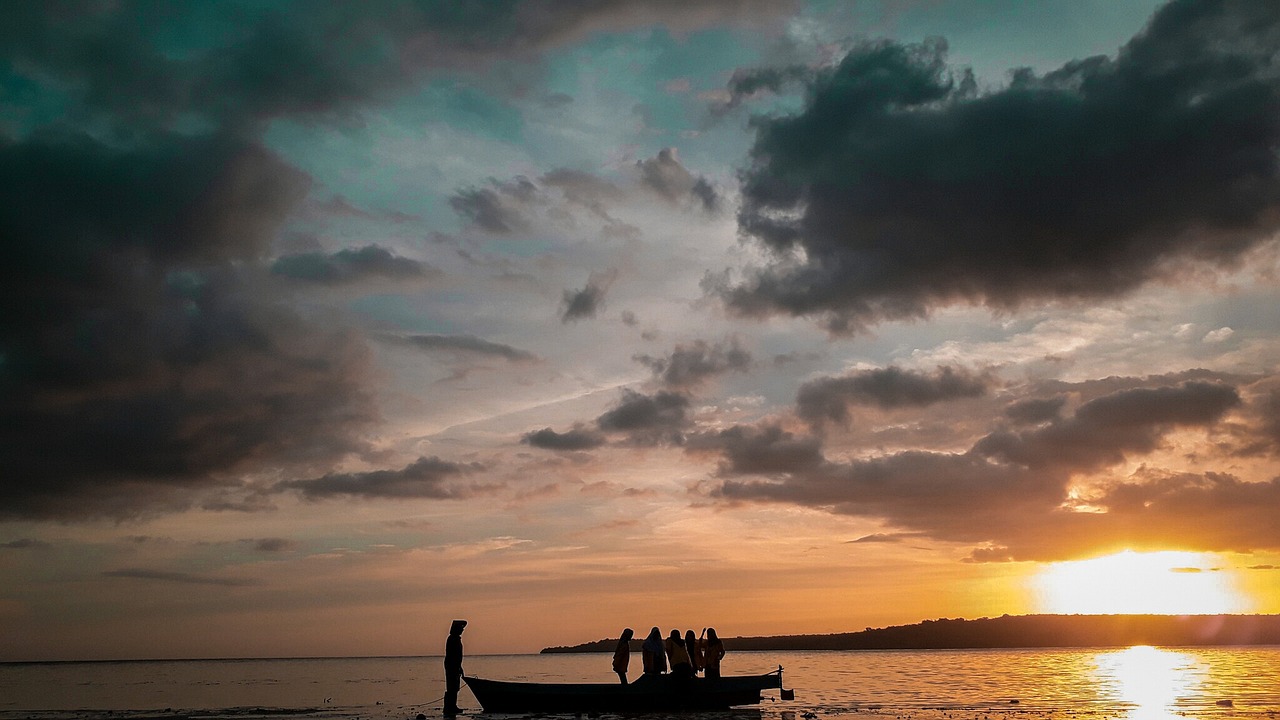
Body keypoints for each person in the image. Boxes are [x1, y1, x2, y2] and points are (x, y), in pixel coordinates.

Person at [444, 620, 466, 715]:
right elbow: (452, 656)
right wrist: (457, 667)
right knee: (452, 687)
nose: (462, 630)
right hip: (451, 666)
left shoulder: (455, 639)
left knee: (455, 687)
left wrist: (459, 667)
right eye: (461, 628)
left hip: (454, 665)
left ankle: (452, 706)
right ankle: (449, 707)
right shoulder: (452, 639)